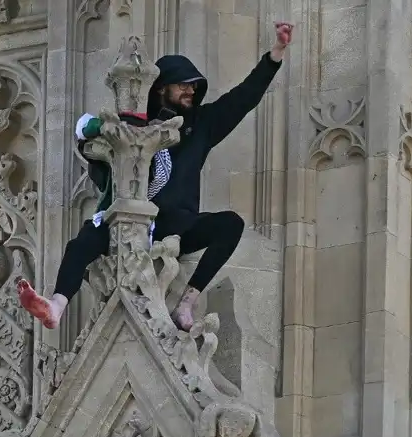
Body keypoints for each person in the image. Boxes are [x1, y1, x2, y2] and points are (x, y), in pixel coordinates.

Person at [18, 21, 294, 331]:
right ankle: (56, 305)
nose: (191, 90)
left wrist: (275, 54)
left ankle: (187, 303)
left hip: (176, 223)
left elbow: (243, 98)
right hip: (130, 219)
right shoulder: (136, 126)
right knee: (82, 243)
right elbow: (88, 137)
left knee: (230, 225)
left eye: (194, 86)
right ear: (162, 88)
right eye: (184, 85)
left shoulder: (201, 125)